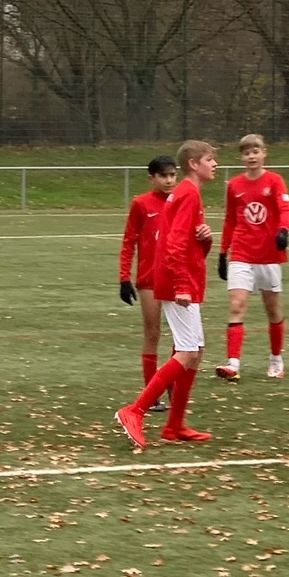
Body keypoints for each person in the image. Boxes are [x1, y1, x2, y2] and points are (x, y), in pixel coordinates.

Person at [115, 140, 218, 448]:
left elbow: (187, 244)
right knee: (186, 351)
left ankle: (174, 425)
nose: (215, 164)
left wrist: (206, 241)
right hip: (177, 283)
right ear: (194, 164)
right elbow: (173, 244)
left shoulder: (186, 193)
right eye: (210, 159)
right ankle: (135, 411)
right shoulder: (188, 193)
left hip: (182, 280)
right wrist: (182, 285)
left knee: (195, 352)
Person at [216, 134, 289, 381]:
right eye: (247, 153)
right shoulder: (234, 185)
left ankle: (276, 359)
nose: (251, 156)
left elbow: (284, 208)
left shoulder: (275, 180)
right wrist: (223, 252)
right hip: (242, 253)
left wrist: (283, 230)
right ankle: (233, 363)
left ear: (264, 153)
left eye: (255, 151)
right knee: (237, 305)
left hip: (269, 255)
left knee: (273, 309)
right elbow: (230, 219)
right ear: (242, 157)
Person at [119, 155, 178, 412]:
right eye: (163, 175)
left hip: (177, 279)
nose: (169, 180)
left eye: (172, 175)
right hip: (150, 279)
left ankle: (174, 383)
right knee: (152, 333)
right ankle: (151, 393)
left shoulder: (182, 200)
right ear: (152, 178)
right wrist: (124, 278)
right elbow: (129, 241)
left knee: (183, 337)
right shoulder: (141, 204)